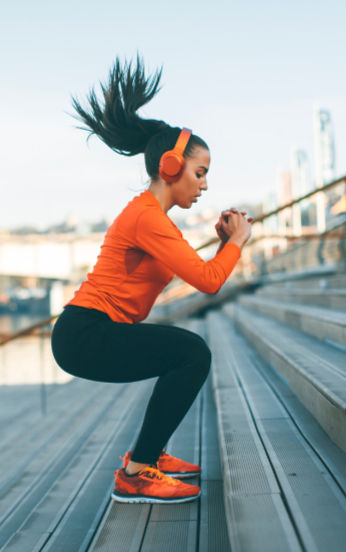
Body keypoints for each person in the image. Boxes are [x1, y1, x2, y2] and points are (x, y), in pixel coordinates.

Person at [51, 57, 252, 504]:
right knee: (190, 353)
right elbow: (208, 282)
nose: (204, 186)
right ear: (170, 167)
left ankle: (148, 458)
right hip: (84, 334)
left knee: (183, 354)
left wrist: (225, 245)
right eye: (200, 173)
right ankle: (137, 474)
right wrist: (238, 241)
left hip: (90, 331)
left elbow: (202, 272)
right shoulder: (148, 218)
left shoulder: (153, 219)